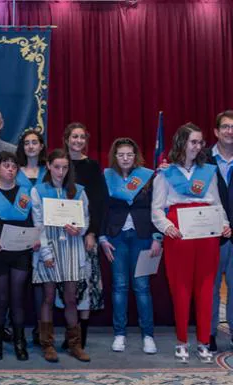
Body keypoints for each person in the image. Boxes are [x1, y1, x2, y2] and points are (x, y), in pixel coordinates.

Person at [152, 123, 231, 363]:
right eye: (193, 142)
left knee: (207, 289)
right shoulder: (165, 173)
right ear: (181, 143)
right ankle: (181, 341)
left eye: (200, 142)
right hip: (179, 234)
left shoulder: (208, 171)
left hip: (207, 234)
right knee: (181, 289)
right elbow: (156, 209)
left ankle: (204, 342)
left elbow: (217, 203)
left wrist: (224, 224)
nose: (197, 146)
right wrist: (167, 227)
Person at [99, 138, 160, 354]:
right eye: (121, 154)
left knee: (142, 287)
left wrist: (157, 238)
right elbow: (102, 209)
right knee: (119, 287)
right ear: (115, 157)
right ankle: (120, 334)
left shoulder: (147, 177)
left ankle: (148, 335)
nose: (125, 158)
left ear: (136, 156)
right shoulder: (107, 177)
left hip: (143, 237)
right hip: (116, 238)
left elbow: (156, 207)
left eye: (129, 154)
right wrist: (102, 238)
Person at [31, 148, 91, 363]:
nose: (60, 171)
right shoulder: (38, 190)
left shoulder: (78, 191)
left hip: (72, 247)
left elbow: (84, 219)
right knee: (47, 297)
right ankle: (47, 344)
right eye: (56, 167)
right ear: (48, 166)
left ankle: (75, 344)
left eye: (65, 168)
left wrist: (80, 230)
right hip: (49, 246)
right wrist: (45, 252)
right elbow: (38, 224)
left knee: (70, 298)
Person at [0, 151, 37, 361]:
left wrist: (35, 237)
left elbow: (31, 221)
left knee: (17, 298)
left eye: (14, 166)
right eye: (6, 165)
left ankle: (20, 341)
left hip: (20, 252)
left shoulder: (25, 194)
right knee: (1, 299)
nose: (10, 169)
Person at [59, 123, 106, 348]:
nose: (78, 141)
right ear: (66, 139)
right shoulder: (59, 164)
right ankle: (70, 333)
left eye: (81, 137)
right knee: (66, 287)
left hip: (85, 235)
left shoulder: (92, 166)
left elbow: (99, 203)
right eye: (74, 137)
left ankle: (82, 336)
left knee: (86, 284)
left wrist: (92, 233)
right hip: (61, 236)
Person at [15, 129, 47, 346]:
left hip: (44, 232)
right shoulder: (15, 171)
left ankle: (40, 327)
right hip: (19, 230)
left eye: (35, 142)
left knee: (41, 285)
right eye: (27, 143)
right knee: (16, 283)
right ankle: (14, 328)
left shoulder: (50, 170)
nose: (31, 146)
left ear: (41, 146)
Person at [209, 110, 233, 352]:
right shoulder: (203, 159)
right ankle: (210, 333)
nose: (230, 131)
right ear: (216, 131)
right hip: (210, 235)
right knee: (211, 287)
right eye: (225, 127)